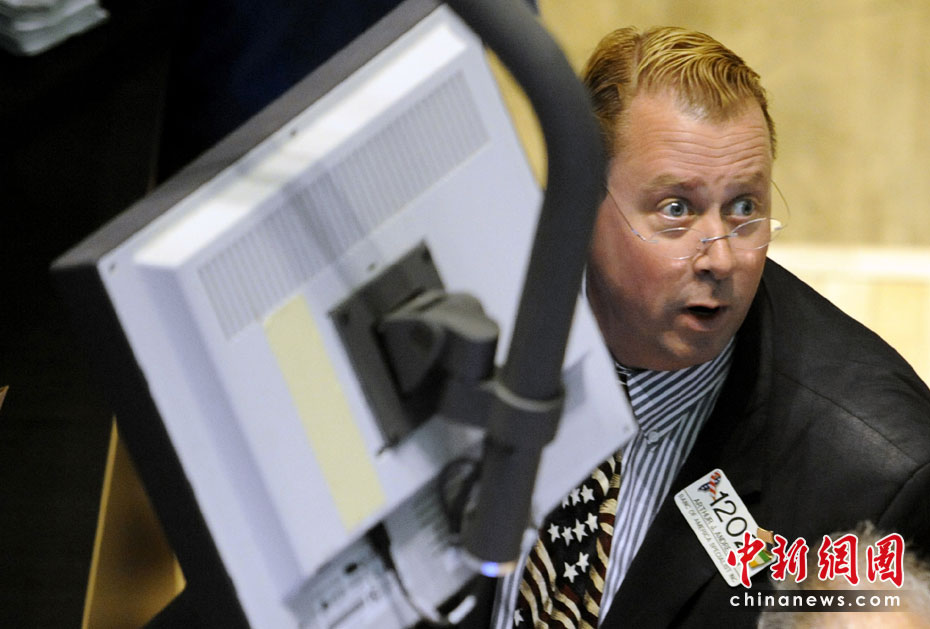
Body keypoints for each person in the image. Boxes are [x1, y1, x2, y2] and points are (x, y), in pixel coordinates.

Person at [490, 25, 930, 628]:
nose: (721, 258)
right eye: (677, 209)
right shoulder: (476, 315)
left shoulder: (878, 481)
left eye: (745, 208)